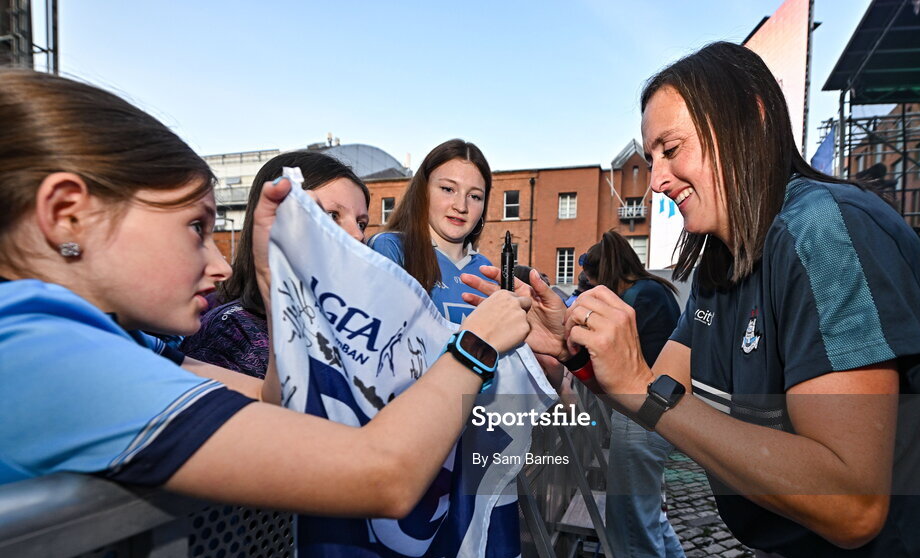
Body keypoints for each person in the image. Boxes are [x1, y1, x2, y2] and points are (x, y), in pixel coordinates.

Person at [463, 42, 920, 558]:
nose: (655, 178)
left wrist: (639, 387)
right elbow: (665, 393)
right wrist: (576, 349)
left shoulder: (823, 229)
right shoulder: (725, 258)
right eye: (651, 155)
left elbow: (851, 503)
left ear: (756, 118)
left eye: (672, 149)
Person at [0, 69, 530, 523]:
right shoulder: (43, 354)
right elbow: (382, 477)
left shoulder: (125, 342)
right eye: (194, 227)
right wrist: (475, 348)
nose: (215, 261)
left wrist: (278, 287)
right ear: (67, 214)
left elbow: (279, 406)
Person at [581, 230, 714, 558]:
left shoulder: (637, 298)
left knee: (630, 528)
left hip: (644, 415)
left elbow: (612, 357)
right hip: (658, 413)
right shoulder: (653, 290)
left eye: (589, 277)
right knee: (647, 516)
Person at [181, 151, 370, 377]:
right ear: (272, 223)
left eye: (361, 223)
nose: (357, 235)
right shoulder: (233, 332)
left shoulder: (355, 325)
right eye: (331, 216)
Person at [368, 139, 492, 323]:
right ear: (423, 192)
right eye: (448, 189)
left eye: (474, 196)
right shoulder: (391, 248)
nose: (461, 206)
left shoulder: (487, 269)